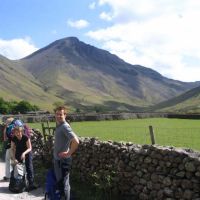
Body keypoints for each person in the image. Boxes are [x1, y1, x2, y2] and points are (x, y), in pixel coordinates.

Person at [53, 106, 79, 200]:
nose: (59, 116)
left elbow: (76, 141)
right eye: (57, 114)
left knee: (64, 185)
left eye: (61, 114)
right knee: (61, 183)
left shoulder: (64, 126)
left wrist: (68, 153)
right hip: (58, 160)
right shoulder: (59, 125)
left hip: (63, 161)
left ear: (65, 115)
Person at [11, 125, 37, 191]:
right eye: (16, 132)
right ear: (14, 133)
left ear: (22, 132)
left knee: (29, 168)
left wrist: (24, 153)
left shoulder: (26, 137)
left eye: (19, 132)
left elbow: (30, 148)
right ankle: (20, 184)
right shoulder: (13, 138)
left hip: (27, 153)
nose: (18, 134)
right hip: (18, 153)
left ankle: (31, 184)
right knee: (18, 168)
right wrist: (14, 159)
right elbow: (13, 149)